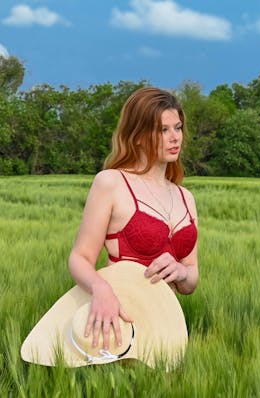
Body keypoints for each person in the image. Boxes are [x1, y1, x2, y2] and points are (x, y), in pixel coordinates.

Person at [68, 87, 198, 353]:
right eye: (163, 130)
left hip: (170, 330)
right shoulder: (111, 183)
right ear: (138, 136)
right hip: (119, 326)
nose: (175, 138)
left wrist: (182, 272)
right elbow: (79, 258)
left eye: (178, 128)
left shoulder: (186, 197)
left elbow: (191, 277)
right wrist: (100, 289)